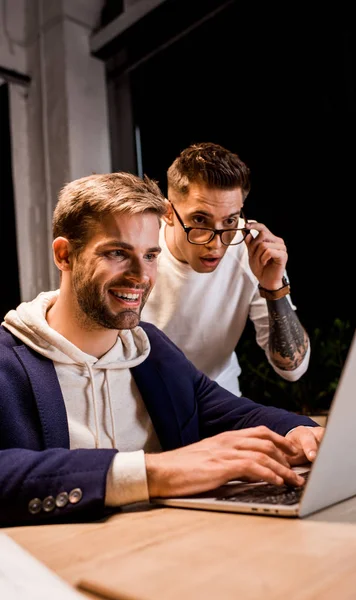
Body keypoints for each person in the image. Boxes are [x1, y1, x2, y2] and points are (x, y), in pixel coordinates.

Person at [0, 172, 323, 528]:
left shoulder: (152, 349)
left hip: (168, 552)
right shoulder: (8, 359)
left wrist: (302, 432)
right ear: (64, 255)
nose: (141, 275)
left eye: (150, 255)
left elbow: (237, 414)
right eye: (117, 253)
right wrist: (155, 472)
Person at [141, 142, 310, 396]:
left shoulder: (252, 252)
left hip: (219, 398)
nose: (216, 244)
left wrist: (273, 287)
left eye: (230, 220)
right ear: (168, 213)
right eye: (200, 220)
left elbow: (293, 368)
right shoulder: (141, 250)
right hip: (146, 400)